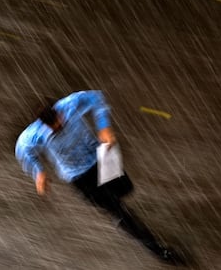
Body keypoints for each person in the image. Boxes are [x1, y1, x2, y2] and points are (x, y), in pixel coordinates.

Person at [15, 90, 182, 264]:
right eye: (54, 127)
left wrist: (104, 126)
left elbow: (96, 97)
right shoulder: (34, 135)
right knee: (119, 211)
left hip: (99, 157)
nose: (58, 127)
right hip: (80, 177)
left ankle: (117, 210)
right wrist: (38, 172)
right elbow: (22, 148)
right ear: (45, 125)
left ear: (59, 112)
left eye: (59, 122)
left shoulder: (70, 105)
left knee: (126, 188)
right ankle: (157, 249)